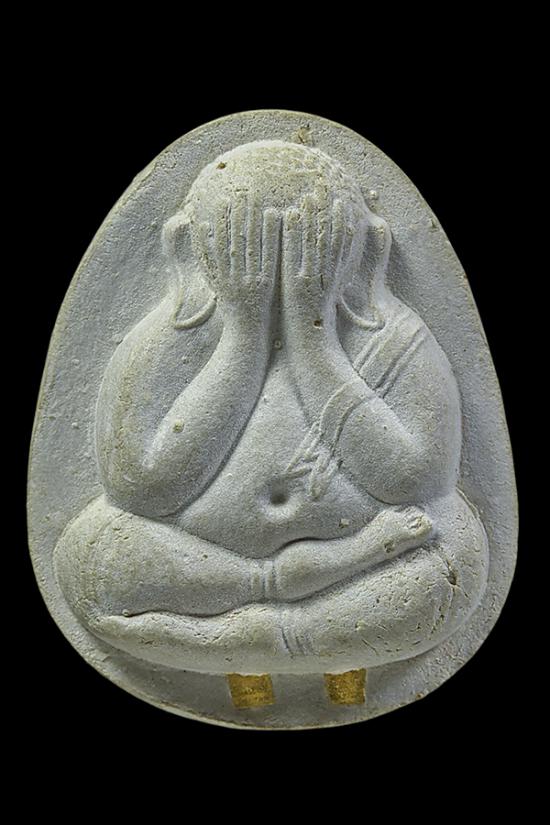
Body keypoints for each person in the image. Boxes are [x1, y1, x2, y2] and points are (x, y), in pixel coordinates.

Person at [54, 140, 488, 676]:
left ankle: (242, 642)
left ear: (366, 251)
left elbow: (415, 480)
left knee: (453, 553)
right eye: (245, 246)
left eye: (313, 248)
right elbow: (142, 487)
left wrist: (313, 336)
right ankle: (280, 620)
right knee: (91, 559)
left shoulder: (394, 337)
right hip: (202, 569)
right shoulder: (168, 339)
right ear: (189, 249)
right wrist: (244, 334)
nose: (279, 269)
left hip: (363, 572)